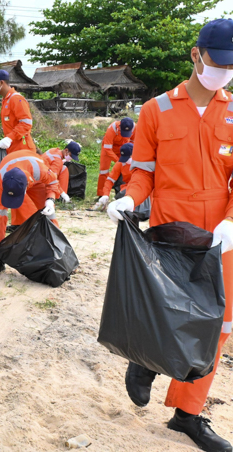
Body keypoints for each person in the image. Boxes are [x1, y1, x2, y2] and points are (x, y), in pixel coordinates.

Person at [107, 19, 233, 452]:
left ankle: (187, 415)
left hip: (221, 235)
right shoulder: (156, 109)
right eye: (218, 63)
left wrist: (231, 221)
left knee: (218, 323)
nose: (224, 73)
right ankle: (147, 364)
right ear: (196, 56)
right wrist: (129, 198)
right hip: (170, 229)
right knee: (168, 314)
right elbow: (143, 172)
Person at [0, 150, 60, 278]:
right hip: (15, 172)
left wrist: (50, 199)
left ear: (26, 187)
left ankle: (58, 249)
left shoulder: (40, 170)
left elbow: (53, 182)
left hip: (36, 179)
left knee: (47, 212)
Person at [0, 69, 36, 154]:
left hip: (22, 149)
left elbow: (26, 123)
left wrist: (10, 138)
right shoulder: (5, 100)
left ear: (1, 82)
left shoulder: (16, 99)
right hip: (12, 148)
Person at [96, 117, 135, 196]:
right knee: (104, 171)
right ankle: (102, 194)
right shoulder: (112, 129)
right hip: (109, 149)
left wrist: (129, 156)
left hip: (125, 148)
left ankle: (123, 191)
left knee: (127, 169)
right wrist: (119, 162)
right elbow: (107, 149)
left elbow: (135, 144)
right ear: (119, 127)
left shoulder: (135, 128)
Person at [94, 143, 133, 209]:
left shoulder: (142, 163)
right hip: (126, 188)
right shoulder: (121, 163)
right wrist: (105, 195)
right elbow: (110, 179)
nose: (125, 162)